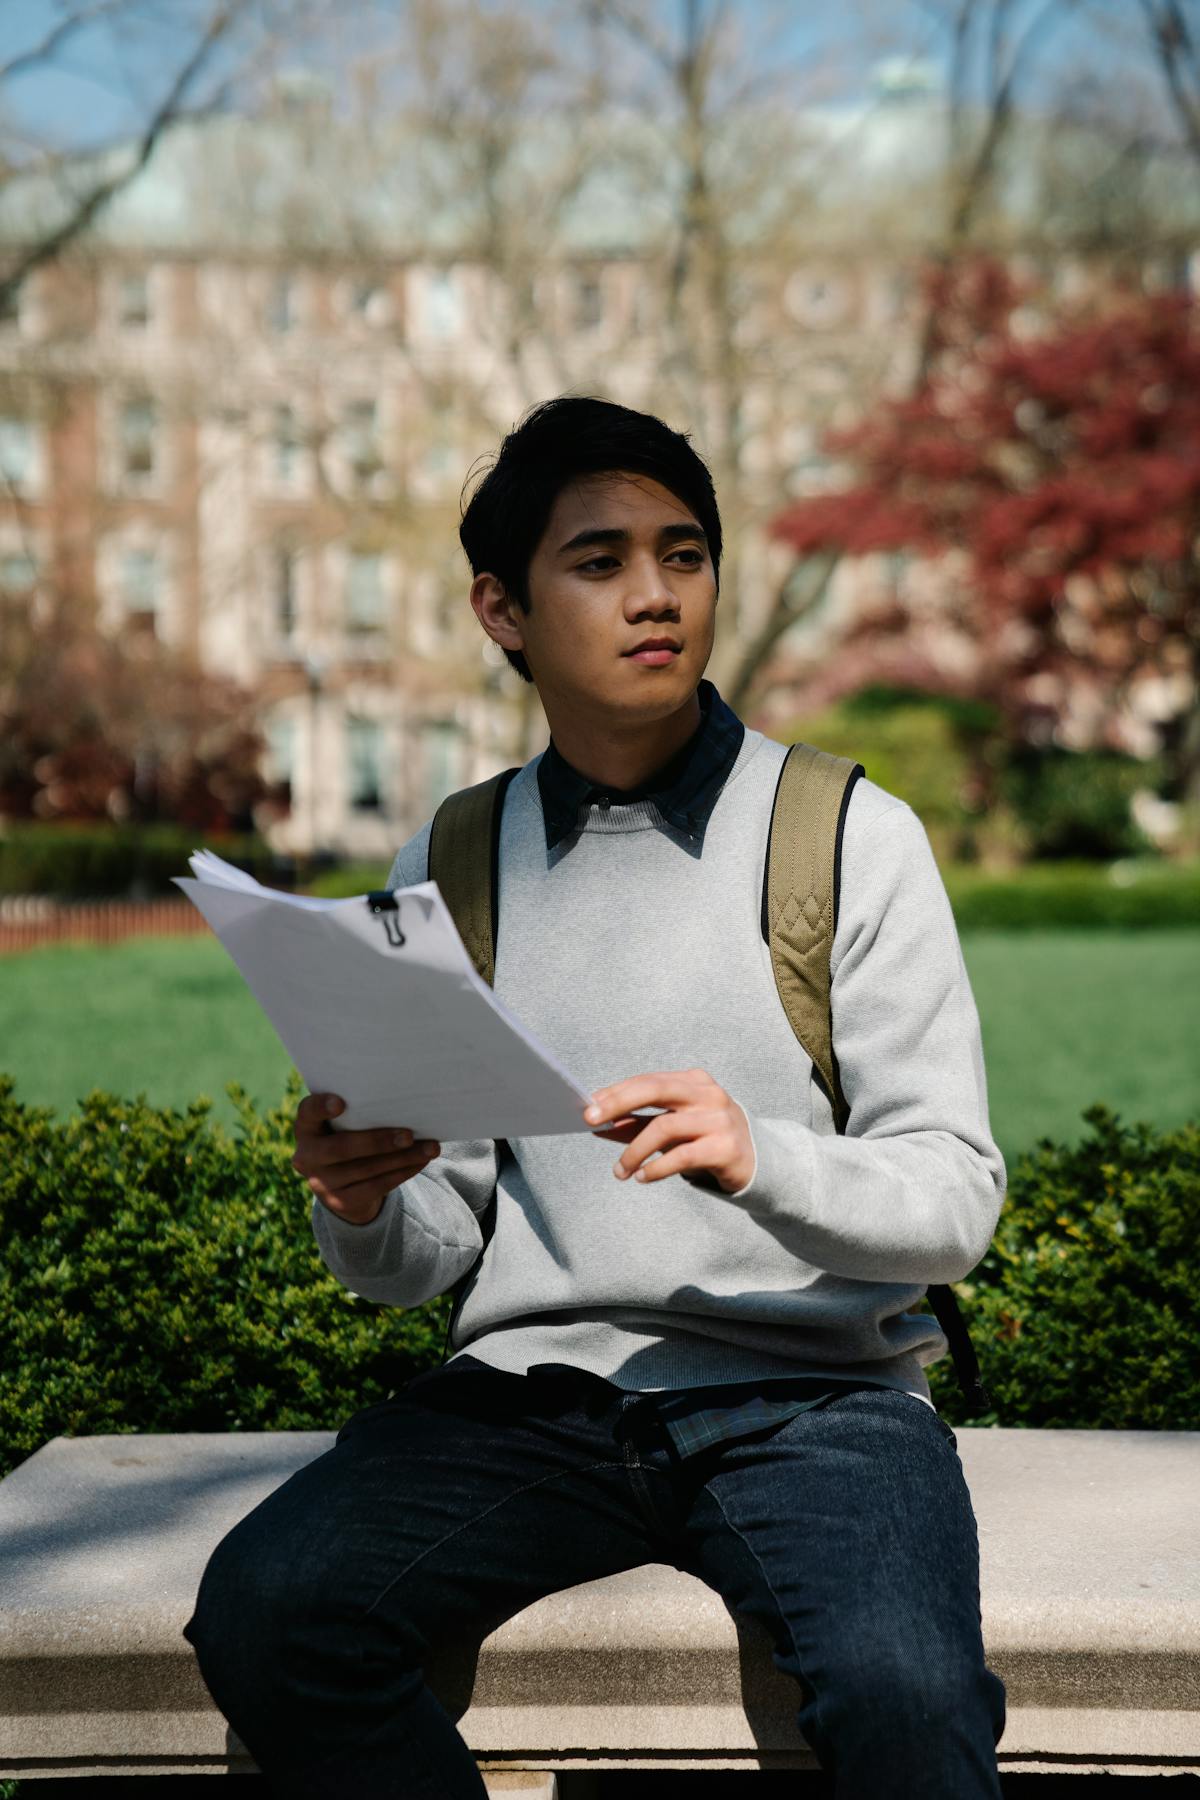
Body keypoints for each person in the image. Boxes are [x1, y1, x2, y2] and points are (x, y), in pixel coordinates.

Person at [184, 396, 1009, 1797]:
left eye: (684, 555)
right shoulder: (454, 856)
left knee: (907, 1700)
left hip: (818, 1401)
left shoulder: (845, 832)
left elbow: (955, 1201)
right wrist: (365, 1202)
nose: (656, 596)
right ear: (501, 610)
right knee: (271, 1610)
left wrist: (766, 1161)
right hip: (534, 1404)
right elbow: (429, 1251)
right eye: (602, 558)